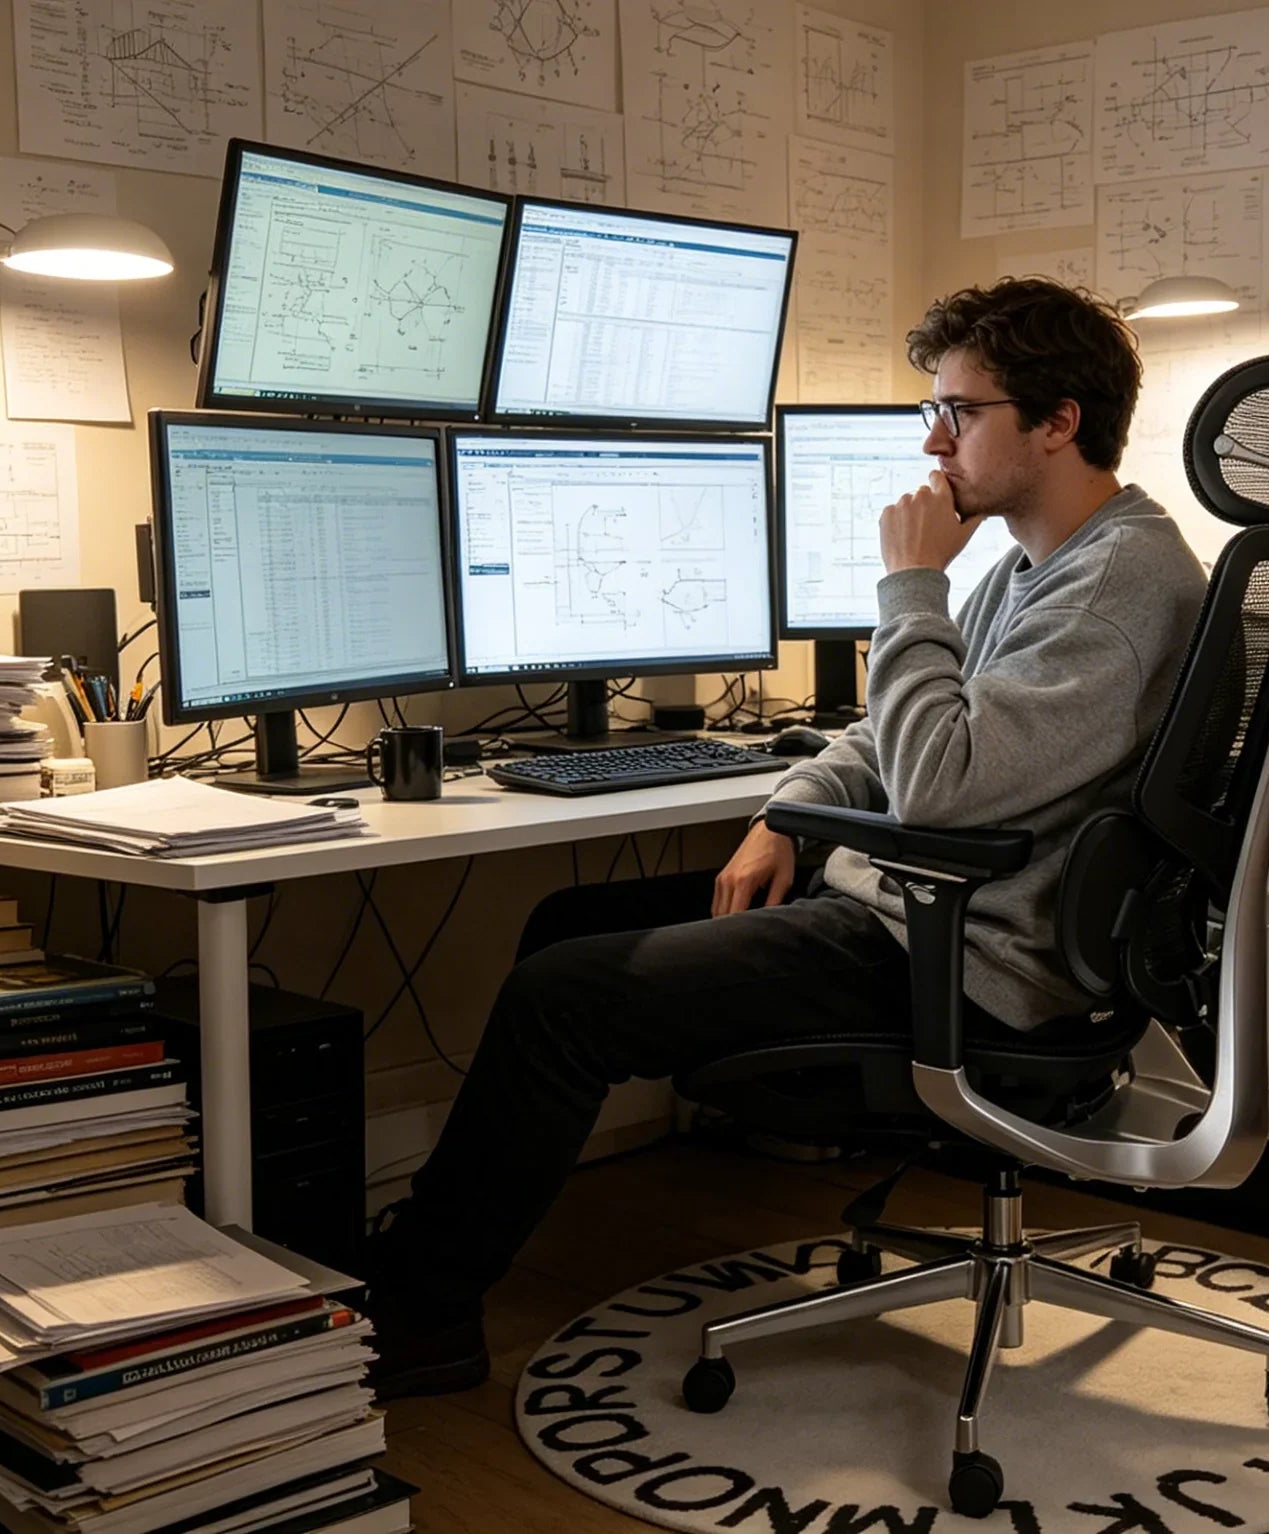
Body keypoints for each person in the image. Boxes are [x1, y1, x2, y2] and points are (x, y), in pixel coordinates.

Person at [362, 277, 1208, 1398]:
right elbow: (888, 734)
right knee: (570, 923)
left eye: (960, 413)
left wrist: (911, 584)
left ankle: (420, 1314)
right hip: (924, 916)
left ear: (1058, 421)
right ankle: (459, 1250)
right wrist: (777, 815)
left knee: (562, 998)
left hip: (961, 960)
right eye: (936, 411)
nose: (933, 440)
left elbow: (939, 783)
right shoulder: (1045, 562)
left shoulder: (1109, 588)